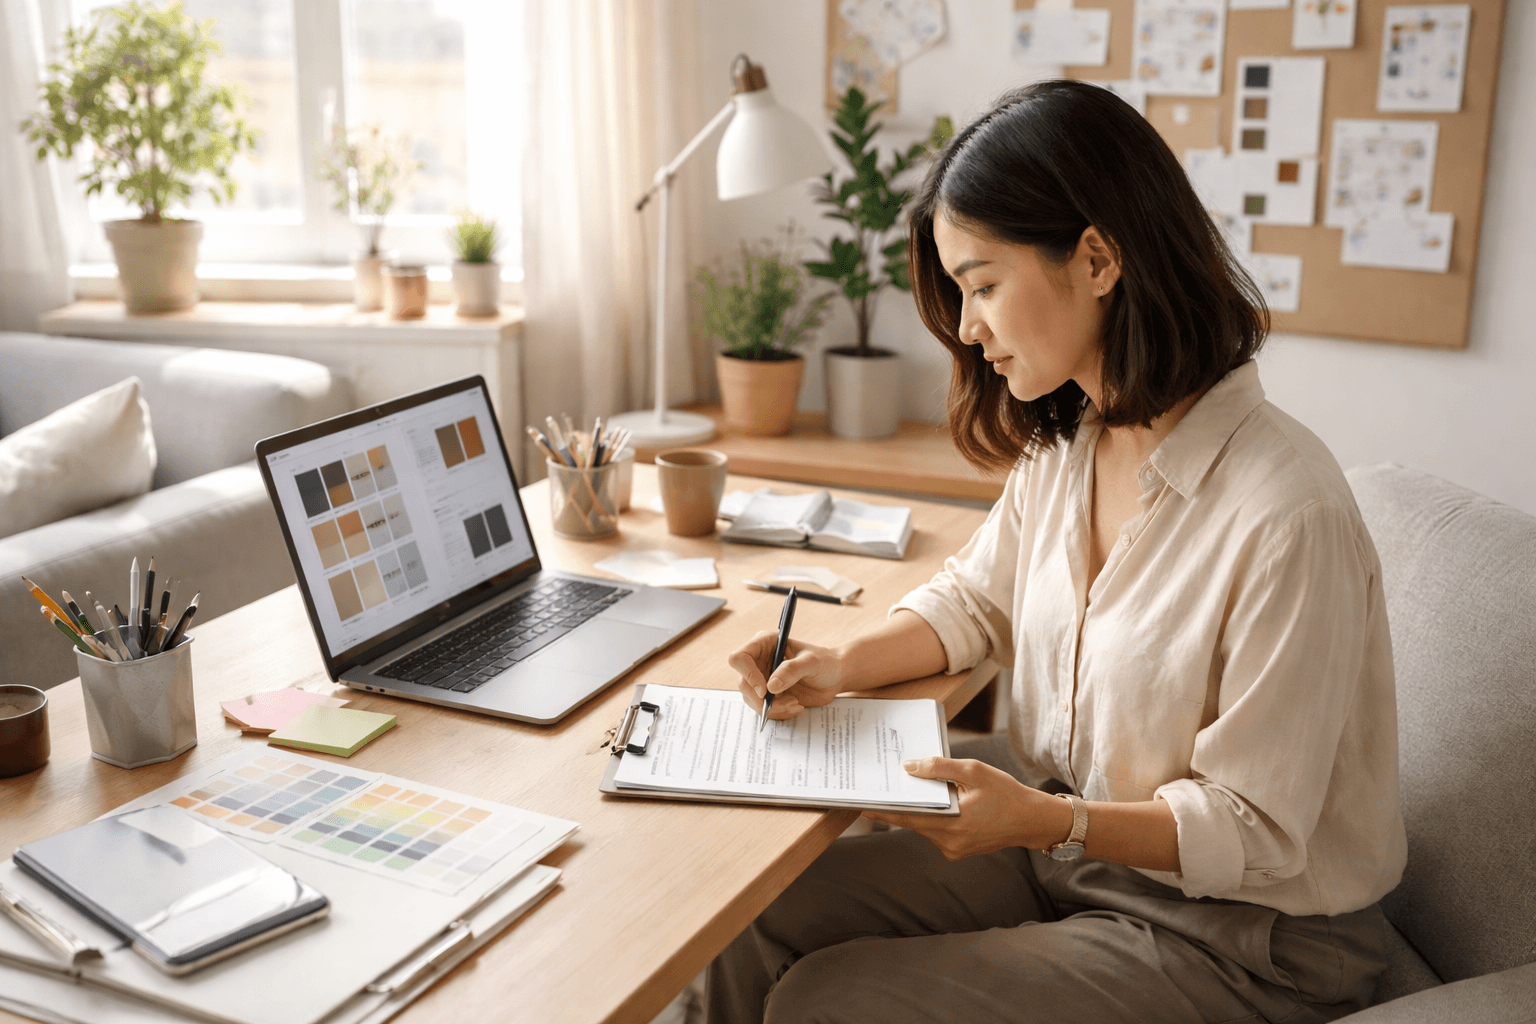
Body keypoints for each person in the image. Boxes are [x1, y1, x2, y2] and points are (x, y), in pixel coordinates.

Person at [708, 79, 1406, 1024]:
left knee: (830, 1000)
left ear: (1098, 258)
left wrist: (1050, 820)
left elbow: (1257, 829)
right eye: (959, 292)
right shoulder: (1074, 444)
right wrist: (837, 665)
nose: (965, 327)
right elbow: (975, 600)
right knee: (753, 911)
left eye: (983, 285)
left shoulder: (1288, 515)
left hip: (1239, 939)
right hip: (1072, 864)